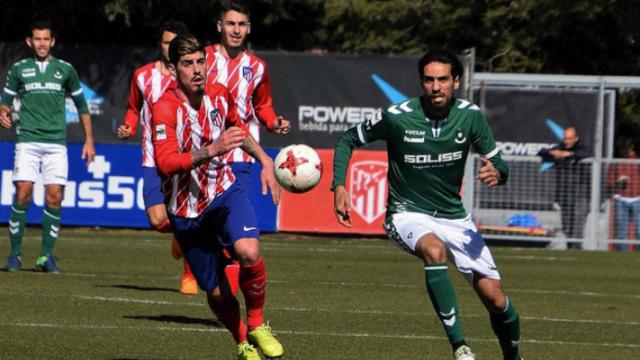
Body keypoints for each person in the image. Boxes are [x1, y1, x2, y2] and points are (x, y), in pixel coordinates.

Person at [332, 50, 522, 360]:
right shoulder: (397, 116)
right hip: (407, 213)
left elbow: (499, 162)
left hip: (455, 218)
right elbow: (347, 139)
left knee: (496, 299)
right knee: (434, 250)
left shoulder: (470, 115)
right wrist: (339, 185)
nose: (436, 86)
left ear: (456, 82)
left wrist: (497, 172)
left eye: (443, 79)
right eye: (429, 80)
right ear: (422, 82)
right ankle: (460, 347)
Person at [152, 34, 284, 360]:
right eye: (187, 64)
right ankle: (241, 340)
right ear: (172, 69)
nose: (197, 70)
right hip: (185, 212)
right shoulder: (164, 108)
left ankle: (256, 324)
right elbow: (165, 163)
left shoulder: (219, 94)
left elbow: (237, 131)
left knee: (249, 251)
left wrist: (265, 160)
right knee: (216, 292)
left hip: (225, 192)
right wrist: (212, 149)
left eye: (201, 61)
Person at [116, 19, 206, 295]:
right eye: (167, 42)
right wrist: (129, 126)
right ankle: (178, 237)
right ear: (160, 45)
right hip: (152, 159)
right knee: (157, 220)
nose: (171, 47)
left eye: (175, 42)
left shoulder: (193, 77)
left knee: (188, 217)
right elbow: (134, 107)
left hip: (186, 159)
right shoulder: (142, 76)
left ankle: (189, 276)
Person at [1, 19, 95, 273]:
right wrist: (4, 111)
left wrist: (89, 140)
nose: (42, 43)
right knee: (23, 192)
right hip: (27, 141)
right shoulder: (19, 69)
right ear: (29, 41)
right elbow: (5, 100)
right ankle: (15, 255)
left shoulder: (65, 69)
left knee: (54, 197)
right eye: (37, 39)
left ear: (52, 41)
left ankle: (45, 256)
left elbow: (82, 106)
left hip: (56, 143)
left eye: (46, 39)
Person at [205, 0, 291, 192]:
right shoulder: (202, 60)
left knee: (233, 217)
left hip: (240, 155)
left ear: (249, 28)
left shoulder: (257, 67)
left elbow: (263, 106)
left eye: (242, 24)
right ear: (220, 26)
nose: (236, 30)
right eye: (231, 24)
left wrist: (273, 122)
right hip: (205, 152)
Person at [537, 127, 594, 248]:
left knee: (578, 225)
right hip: (564, 194)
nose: (566, 141)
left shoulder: (583, 149)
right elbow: (541, 152)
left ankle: (577, 248)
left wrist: (570, 154)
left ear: (576, 138)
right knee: (567, 225)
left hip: (580, 194)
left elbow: (589, 154)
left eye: (569, 138)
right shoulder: (559, 147)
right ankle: (570, 247)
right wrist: (552, 153)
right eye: (565, 138)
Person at [606, 136, 640, 251]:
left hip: (637, 199)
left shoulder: (637, 161)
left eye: (627, 148)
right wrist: (618, 181)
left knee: (639, 230)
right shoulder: (616, 162)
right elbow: (609, 181)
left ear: (632, 147)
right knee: (622, 232)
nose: (625, 151)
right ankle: (623, 254)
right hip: (620, 199)